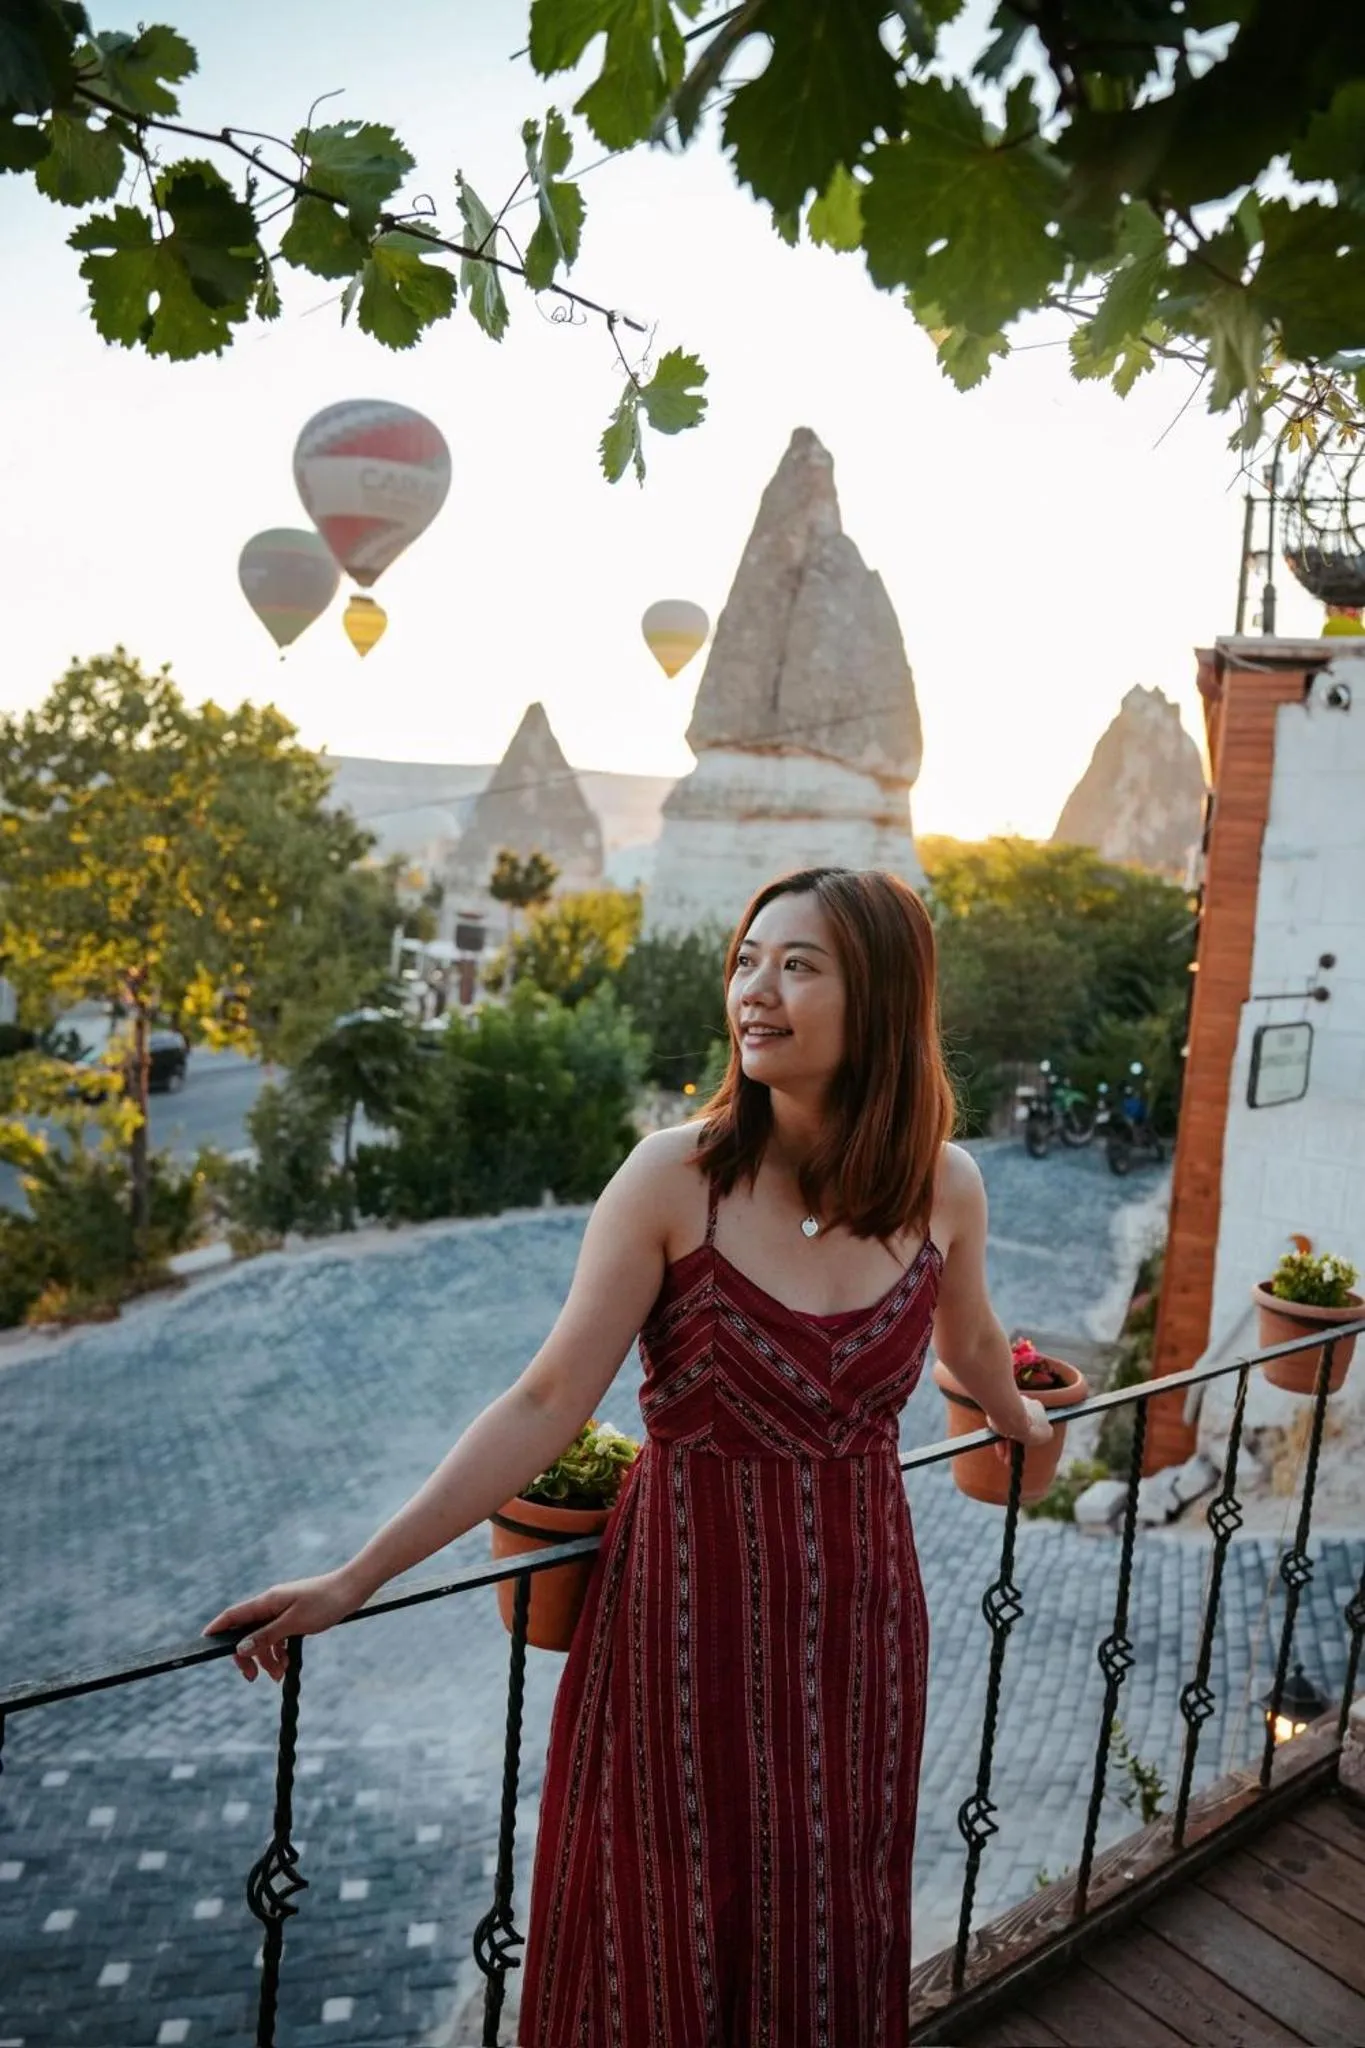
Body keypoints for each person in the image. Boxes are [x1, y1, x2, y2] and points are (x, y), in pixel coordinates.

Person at [204, 866, 1052, 2046]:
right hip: (677, 1632)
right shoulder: (675, 1178)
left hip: (860, 1640)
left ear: (884, 1002)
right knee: (658, 1931)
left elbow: (971, 1343)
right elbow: (547, 1397)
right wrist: (356, 1577)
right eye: (747, 959)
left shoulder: (943, 1186)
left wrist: (1025, 1421)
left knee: (830, 1915)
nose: (757, 989)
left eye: (799, 965)